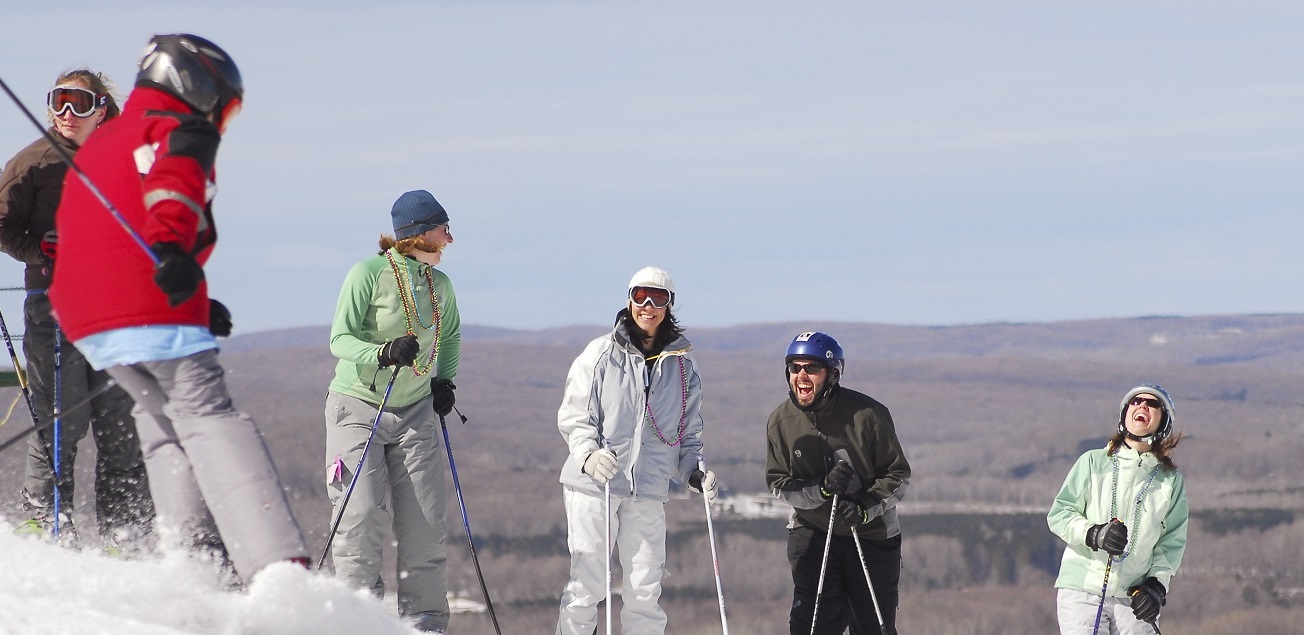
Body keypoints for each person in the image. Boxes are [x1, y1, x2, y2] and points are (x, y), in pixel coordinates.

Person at [47, 34, 308, 582]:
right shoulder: (178, 130)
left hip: (86, 320)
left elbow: (100, 230)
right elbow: (173, 188)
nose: (218, 121)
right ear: (196, 86)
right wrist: (170, 251)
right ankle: (277, 566)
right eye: (222, 106)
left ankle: (193, 564)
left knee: (162, 420)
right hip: (147, 302)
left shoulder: (103, 141)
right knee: (209, 416)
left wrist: (192, 293)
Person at [0, 68, 155, 548]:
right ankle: (45, 521)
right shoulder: (34, 163)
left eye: (80, 103)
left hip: (117, 310)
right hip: (55, 306)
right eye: (59, 102)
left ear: (100, 110)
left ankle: (124, 531)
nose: (67, 114)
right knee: (61, 416)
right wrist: (39, 249)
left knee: (119, 421)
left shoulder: (126, 159)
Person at [324, 189, 461, 634]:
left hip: (415, 412)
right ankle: (357, 620)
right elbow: (339, 340)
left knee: (425, 523)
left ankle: (425, 624)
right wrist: (382, 352)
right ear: (421, 233)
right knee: (360, 516)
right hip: (359, 404)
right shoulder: (368, 273)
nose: (450, 238)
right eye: (444, 229)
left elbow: (452, 336)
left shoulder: (439, 285)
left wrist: (443, 380)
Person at [556, 266, 718, 635]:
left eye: (657, 297)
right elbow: (574, 413)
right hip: (598, 483)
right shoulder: (600, 354)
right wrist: (587, 455)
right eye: (640, 296)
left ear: (669, 304)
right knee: (589, 582)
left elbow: (688, 432)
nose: (648, 305)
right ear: (628, 300)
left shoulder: (682, 365)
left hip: (648, 487)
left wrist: (694, 472)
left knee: (645, 587)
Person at [765, 331, 911, 635]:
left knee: (874, 628)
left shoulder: (868, 415)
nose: (801, 376)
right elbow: (778, 483)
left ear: (833, 374)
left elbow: (897, 475)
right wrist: (821, 489)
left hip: (871, 534)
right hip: (813, 531)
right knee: (811, 626)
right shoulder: (781, 421)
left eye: (812, 368)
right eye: (795, 367)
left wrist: (864, 507)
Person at [1047, 384, 1189, 635]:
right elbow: (1060, 514)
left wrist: (1156, 588)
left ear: (1164, 422)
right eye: (1135, 401)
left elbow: (1171, 544)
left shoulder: (1169, 481)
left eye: (1152, 404)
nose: (1142, 405)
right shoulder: (1092, 462)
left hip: (1134, 599)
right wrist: (1094, 534)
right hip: (1084, 591)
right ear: (1125, 414)